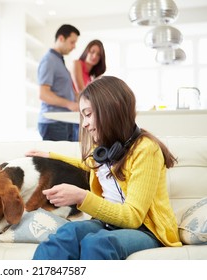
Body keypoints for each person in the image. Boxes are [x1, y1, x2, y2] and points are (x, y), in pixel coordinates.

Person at [26, 76, 182, 260]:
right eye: (83, 116)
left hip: (146, 229)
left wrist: (82, 197)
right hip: (108, 223)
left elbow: (133, 217)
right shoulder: (103, 149)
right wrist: (51, 157)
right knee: (68, 232)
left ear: (110, 110)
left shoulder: (146, 149)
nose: (84, 124)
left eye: (88, 114)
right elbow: (88, 165)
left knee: (98, 243)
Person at [37, 24, 80, 142]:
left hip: (63, 121)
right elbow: (43, 94)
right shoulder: (49, 60)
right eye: (72, 42)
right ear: (61, 38)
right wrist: (69, 104)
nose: (74, 46)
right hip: (54, 123)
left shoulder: (58, 60)